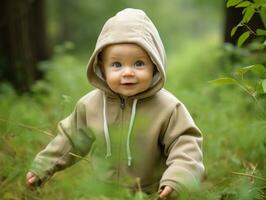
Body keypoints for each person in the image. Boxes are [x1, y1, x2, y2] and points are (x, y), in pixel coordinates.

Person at [26, 8, 204, 199]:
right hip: (103, 192)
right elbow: (70, 139)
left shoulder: (168, 108)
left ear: (155, 64)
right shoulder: (90, 105)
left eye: (138, 63)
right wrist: (42, 167)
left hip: (151, 192)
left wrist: (177, 179)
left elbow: (185, 144)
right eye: (117, 65)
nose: (127, 72)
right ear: (102, 67)